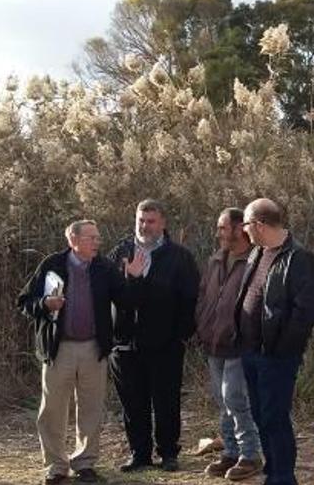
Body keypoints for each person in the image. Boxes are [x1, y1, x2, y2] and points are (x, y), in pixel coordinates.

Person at [17, 220, 147, 484]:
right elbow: (25, 302)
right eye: (91, 238)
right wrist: (45, 303)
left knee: (91, 408)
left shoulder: (104, 267)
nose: (97, 242)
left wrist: (132, 277)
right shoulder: (51, 264)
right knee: (52, 410)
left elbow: (126, 301)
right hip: (59, 349)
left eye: (97, 238)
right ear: (73, 240)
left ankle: (85, 463)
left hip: (93, 349)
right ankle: (55, 467)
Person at [107, 199, 200, 473]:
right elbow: (108, 295)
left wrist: (181, 335)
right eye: (141, 220)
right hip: (125, 344)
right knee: (132, 403)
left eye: (151, 221)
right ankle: (140, 454)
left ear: (163, 223)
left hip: (165, 344)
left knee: (166, 401)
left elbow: (190, 299)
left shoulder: (179, 257)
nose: (145, 226)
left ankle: (169, 453)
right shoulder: (119, 253)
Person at [235, 198, 314, 485]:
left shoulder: (299, 258)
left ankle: (283, 477)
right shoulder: (257, 252)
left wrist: (282, 349)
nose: (243, 231)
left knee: (275, 417)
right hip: (251, 352)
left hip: (276, 357)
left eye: (246, 224)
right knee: (261, 415)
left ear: (259, 224)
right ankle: (273, 472)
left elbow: (305, 312)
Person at [196, 208, 262, 481]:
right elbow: (204, 296)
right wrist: (201, 324)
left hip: (239, 345)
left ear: (239, 229)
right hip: (213, 343)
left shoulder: (255, 261)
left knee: (236, 399)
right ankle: (231, 453)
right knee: (223, 401)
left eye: (223, 228)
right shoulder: (215, 260)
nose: (219, 233)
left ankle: (250, 455)